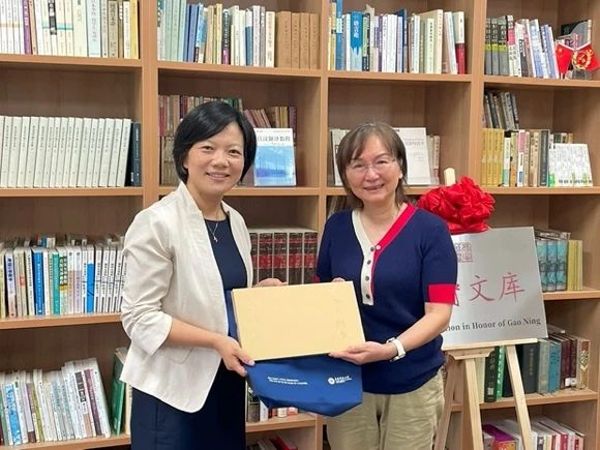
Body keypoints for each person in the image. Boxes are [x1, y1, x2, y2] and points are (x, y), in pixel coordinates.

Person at [120, 101, 281, 449]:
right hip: (172, 393)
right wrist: (215, 341)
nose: (221, 161)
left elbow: (214, 294)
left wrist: (255, 294)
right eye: (208, 148)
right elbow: (139, 318)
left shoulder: (235, 221)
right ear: (184, 157)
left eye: (233, 152)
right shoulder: (156, 223)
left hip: (226, 384)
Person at [317, 122, 457, 450]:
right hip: (348, 381)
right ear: (345, 175)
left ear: (401, 166)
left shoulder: (430, 231)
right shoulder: (336, 227)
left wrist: (391, 349)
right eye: (358, 165)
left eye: (381, 161)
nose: (371, 174)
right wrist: (329, 295)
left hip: (413, 381)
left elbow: (439, 314)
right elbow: (320, 295)